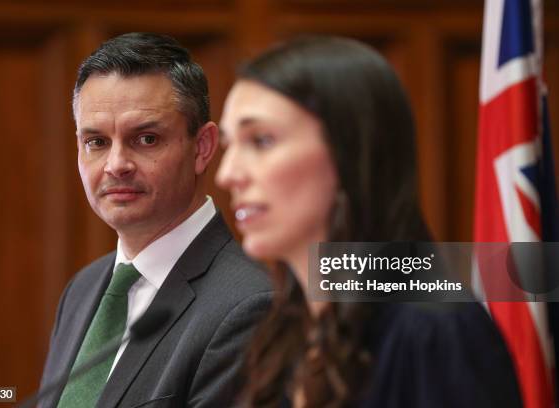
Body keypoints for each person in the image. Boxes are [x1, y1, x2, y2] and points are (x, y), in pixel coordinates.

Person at [216, 36, 522, 407]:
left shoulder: (437, 330)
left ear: (351, 150)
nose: (227, 174)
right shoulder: (279, 334)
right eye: (228, 145)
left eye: (261, 141)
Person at [39, 32, 272, 408]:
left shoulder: (247, 306)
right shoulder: (81, 291)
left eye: (146, 139)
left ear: (203, 147)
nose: (116, 165)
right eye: (96, 142)